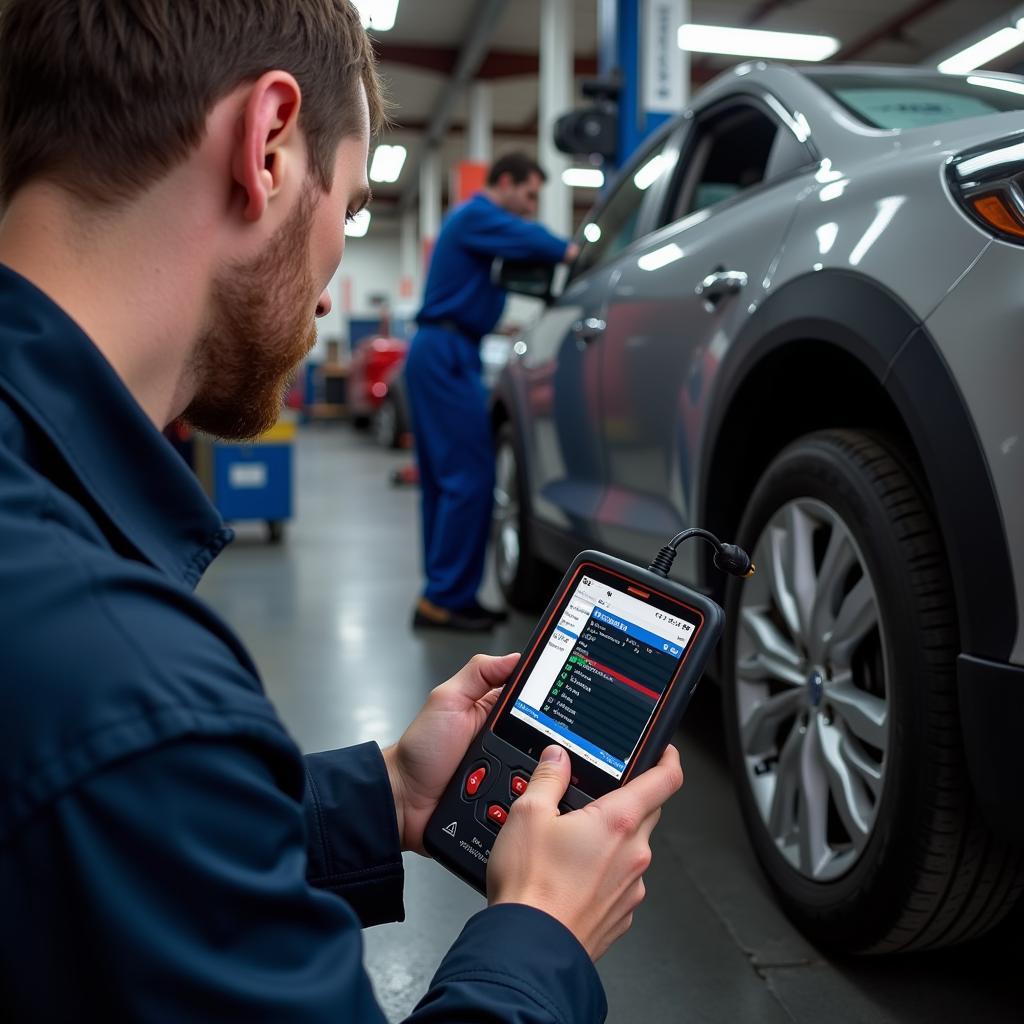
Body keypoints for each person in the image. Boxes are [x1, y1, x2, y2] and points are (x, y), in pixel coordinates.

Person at [0, 2, 683, 1020]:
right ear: (267, 144)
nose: (330, 288)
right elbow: (134, 763)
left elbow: (138, 838)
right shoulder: (125, 678)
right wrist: (540, 929)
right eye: (353, 211)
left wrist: (391, 798)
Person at [407, 153, 579, 632]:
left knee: (445, 482)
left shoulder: (472, 222)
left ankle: (440, 595)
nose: (530, 206)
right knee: (469, 476)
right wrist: (576, 250)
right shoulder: (478, 215)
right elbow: (542, 245)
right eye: (528, 194)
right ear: (505, 182)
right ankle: (448, 597)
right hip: (447, 351)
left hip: (439, 348)